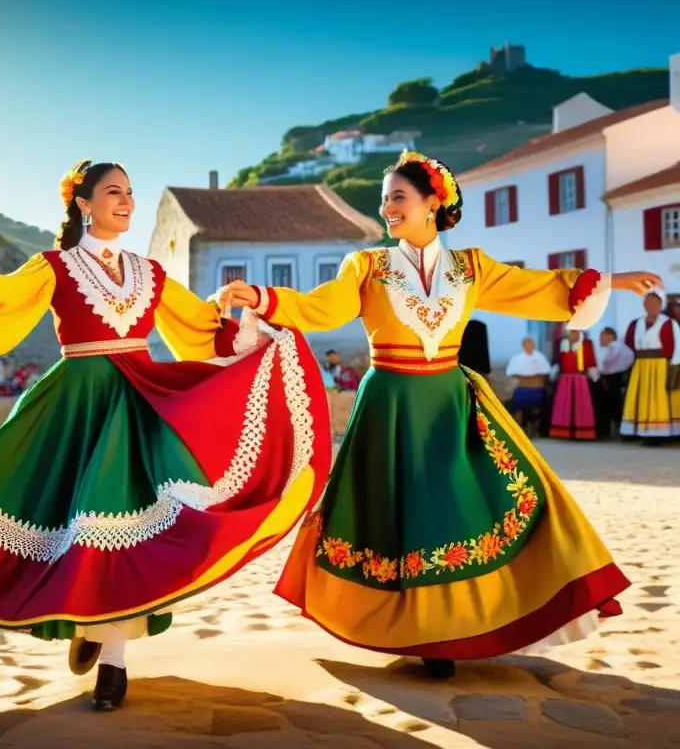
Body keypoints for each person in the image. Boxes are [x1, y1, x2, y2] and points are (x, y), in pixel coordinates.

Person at [0, 159, 331, 711]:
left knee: (121, 520)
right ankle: (90, 625)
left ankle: (112, 659)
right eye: (114, 192)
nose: (127, 202)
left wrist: (255, 326)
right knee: (70, 522)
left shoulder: (151, 273)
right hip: (75, 404)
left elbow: (200, 331)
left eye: (131, 193)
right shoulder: (54, 267)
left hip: (138, 403)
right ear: (84, 205)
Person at [218, 150, 662, 679]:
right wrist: (263, 298)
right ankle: (424, 634)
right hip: (391, 405)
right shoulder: (367, 266)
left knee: (461, 506)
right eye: (384, 200)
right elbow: (324, 307)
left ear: (433, 203)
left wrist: (612, 280)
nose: (387, 209)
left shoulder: (471, 268)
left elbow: (537, 288)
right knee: (400, 516)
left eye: (397, 197)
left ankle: (459, 623)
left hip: (449, 400)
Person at [620, 292, 680, 444]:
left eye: (654, 303)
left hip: (660, 364)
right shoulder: (636, 323)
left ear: (661, 305)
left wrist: (674, 365)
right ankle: (637, 431)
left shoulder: (669, 323)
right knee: (640, 397)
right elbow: (628, 345)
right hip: (641, 364)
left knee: (657, 397)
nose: (651, 306)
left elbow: (677, 346)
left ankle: (658, 433)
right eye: (647, 303)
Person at [548, 330, 599, 441]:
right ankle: (563, 431)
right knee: (564, 404)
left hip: (580, 379)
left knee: (581, 404)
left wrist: (594, 377)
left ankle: (582, 432)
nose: (573, 333)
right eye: (571, 331)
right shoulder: (562, 343)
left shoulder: (586, 343)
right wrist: (554, 372)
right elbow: (557, 359)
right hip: (565, 379)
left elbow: (591, 360)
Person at [505, 336, 551, 432]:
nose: (529, 346)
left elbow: (546, 371)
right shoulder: (517, 358)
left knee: (542, 400)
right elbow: (511, 372)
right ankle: (523, 424)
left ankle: (534, 425)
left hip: (536, 389)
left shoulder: (540, 357)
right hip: (522, 388)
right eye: (526, 344)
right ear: (523, 345)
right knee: (515, 400)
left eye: (530, 344)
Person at [596, 327, 633, 439]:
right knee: (610, 405)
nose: (601, 339)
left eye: (604, 336)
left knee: (612, 405)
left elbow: (609, 361)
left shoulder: (615, 346)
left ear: (611, 336)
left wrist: (603, 368)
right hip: (612, 376)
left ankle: (613, 430)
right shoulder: (610, 348)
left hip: (613, 377)